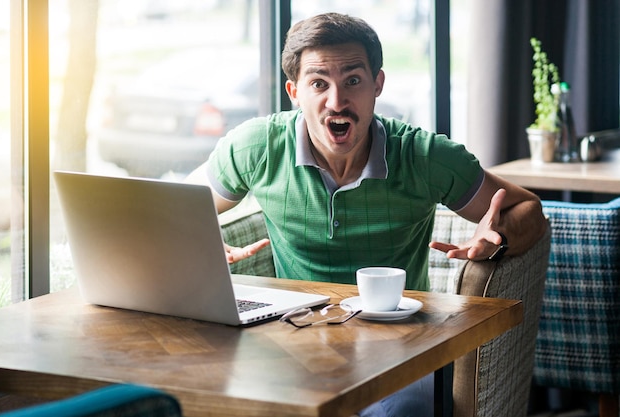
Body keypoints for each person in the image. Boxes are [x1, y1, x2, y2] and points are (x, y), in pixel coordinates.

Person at [186, 12, 548, 417]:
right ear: (294, 91)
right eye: (318, 83)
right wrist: (198, 240)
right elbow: (175, 206)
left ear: (377, 84)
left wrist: (498, 239)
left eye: (353, 81)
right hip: (291, 344)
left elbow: (528, 208)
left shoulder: (423, 155)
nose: (337, 101)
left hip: (399, 350)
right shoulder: (257, 146)